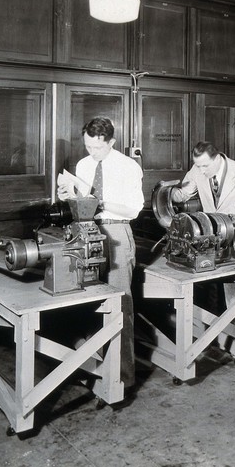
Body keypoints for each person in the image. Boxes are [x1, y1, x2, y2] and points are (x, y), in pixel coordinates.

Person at [58, 116, 144, 392]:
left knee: (121, 306)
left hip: (117, 233)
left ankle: (122, 379)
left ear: (111, 142)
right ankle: (95, 368)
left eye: (97, 148)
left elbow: (133, 210)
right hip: (88, 231)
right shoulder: (83, 165)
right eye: (87, 146)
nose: (91, 153)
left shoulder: (128, 166)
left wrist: (102, 202)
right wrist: (66, 194)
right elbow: (80, 201)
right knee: (89, 301)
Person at [171, 141, 235, 293]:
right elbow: (183, 194)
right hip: (213, 236)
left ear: (217, 159)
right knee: (217, 284)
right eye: (198, 165)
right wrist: (167, 192)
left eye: (205, 166)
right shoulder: (197, 170)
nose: (201, 171)